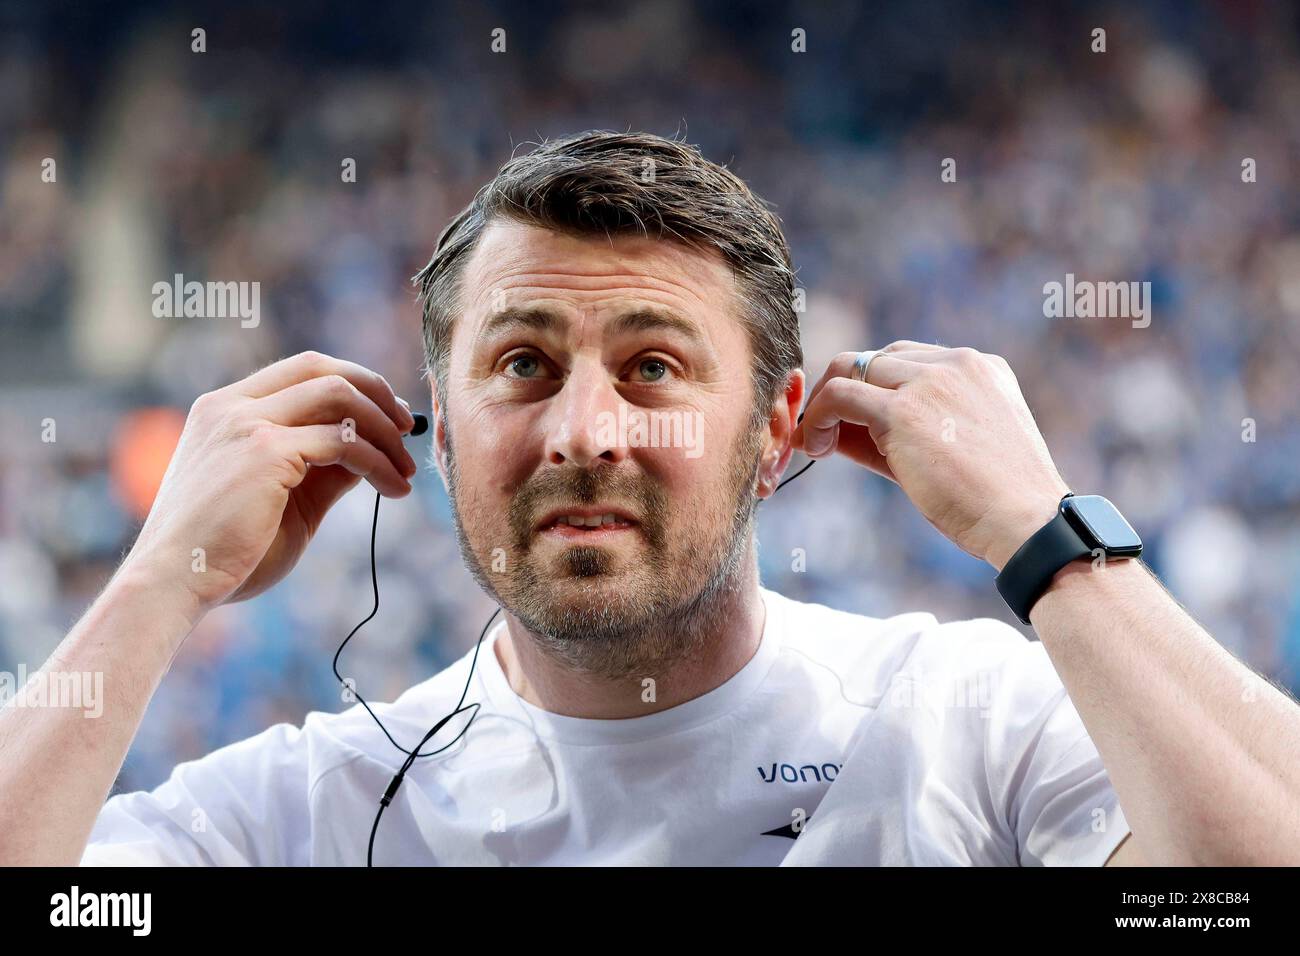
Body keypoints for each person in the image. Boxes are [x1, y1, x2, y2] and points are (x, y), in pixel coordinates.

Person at [3, 131, 1297, 866]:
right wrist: (155, 580)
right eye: (522, 365)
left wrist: (1054, 544)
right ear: (439, 429)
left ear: (779, 428)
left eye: (654, 366)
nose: (583, 430)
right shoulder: (299, 815)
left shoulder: (974, 726)